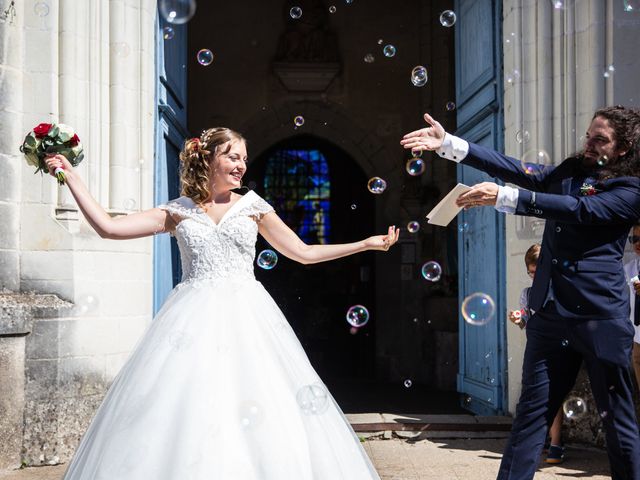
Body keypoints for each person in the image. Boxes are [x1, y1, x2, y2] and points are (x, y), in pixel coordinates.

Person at [46, 127, 399, 479]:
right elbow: (109, 228)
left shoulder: (253, 207)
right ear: (209, 157)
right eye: (232, 156)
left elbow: (302, 253)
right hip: (189, 325)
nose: (241, 165)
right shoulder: (177, 212)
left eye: (244, 158)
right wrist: (72, 177)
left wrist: (364, 244)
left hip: (248, 321)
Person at [401, 106, 640, 480]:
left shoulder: (630, 188)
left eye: (600, 139)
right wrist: (451, 144)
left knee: (619, 423)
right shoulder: (571, 170)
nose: (589, 144)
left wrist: (505, 198)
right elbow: (519, 169)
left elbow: (581, 209)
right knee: (531, 417)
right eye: (589, 135)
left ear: (624, 148)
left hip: (599, 319)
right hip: (549, 316)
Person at [508, 243, 565, 464]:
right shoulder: (528, 294)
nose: (534, 278)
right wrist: (517, 318)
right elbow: (524, 320)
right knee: (535, 396)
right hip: (537, 349)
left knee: (554, 395)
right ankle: (542, 438)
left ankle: (557, 442)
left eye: (537, 273)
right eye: (530, 273)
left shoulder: (560, 291)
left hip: (559, 348)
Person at [623, 222, 640, 390]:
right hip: (637, 331)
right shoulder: (630, 268)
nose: (637, 243)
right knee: (637, 361)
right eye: (634, 239)